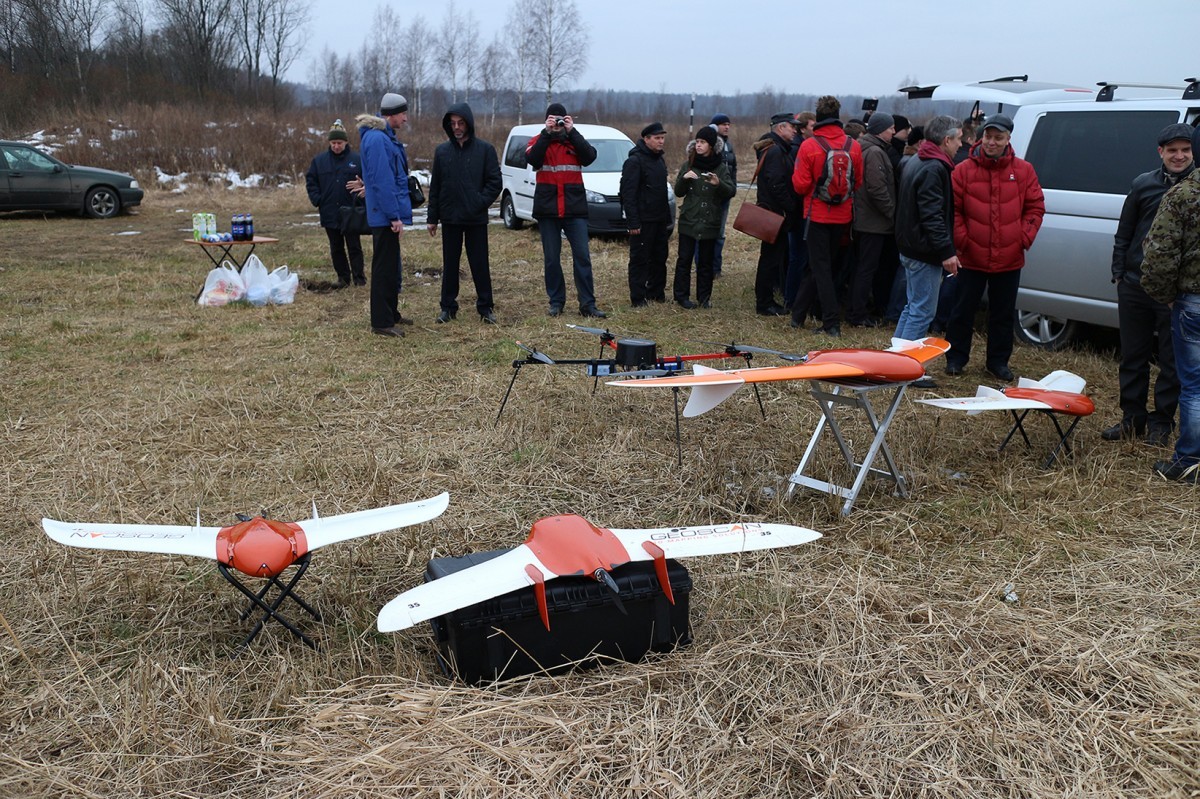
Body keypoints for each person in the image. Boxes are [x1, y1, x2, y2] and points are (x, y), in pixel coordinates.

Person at [1106, 123, 1195, 445]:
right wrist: (1119, 273)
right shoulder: (1143, 185)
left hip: (1176, 294)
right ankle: (1132, 419)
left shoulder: (1196, 190)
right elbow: (1124, 232)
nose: (1179, 156)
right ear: (1161, 152)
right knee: (1133, 356)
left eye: (1185, 150)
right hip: (1134, 285)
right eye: (1172, 150)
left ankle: (1162, 423)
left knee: (1171, 362)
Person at [944, 113, 1045, 382]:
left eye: (998, 137)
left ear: (1008, 139)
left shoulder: (1024, 171)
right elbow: (952, 210)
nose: (991, 142)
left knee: (1002, 314)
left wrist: (1023, 238)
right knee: (962, 311)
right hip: (971, 256)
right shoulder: (963, 170)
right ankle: (956, 358)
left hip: (1009, 257)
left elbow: (1035, 207)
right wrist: (963, 240)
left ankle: (997, 362)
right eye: (988, 136)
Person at [1138, 124, 1200, 484]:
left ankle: (1190, 459)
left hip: (1192, 302)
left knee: (1193, 385)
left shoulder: (1184, 196)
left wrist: (1165, 295)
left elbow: (1159, 256)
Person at [893, 114, 962, 384]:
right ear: (946, 140)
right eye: (958, 139)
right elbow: (932, 215)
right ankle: (907, 369)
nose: (961, 144)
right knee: (922, 310)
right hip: (923, 251)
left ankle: (894, 361)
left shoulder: (917, 160)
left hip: (911, 248)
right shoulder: (934, 167)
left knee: (912, 307)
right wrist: (946, 252)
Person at [790, 95, 864, 336]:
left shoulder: (809, 146)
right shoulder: (853, 145)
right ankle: (798, 316)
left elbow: (800, 186)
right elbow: (859, 182)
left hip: (816, 216)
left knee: (821, 269)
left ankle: (831, 323)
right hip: (843, 216)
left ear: (818, 117)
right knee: (819, 266)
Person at [525, 102, 607, 318]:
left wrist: (573, 131)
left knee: (582, 257)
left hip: (574, 209)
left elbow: (590, 157)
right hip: (548, 210)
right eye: (553, 120)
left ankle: (587, 304)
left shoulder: (574, 141)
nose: (558, 124)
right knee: (552, 259)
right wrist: (546, 132)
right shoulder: (538, 140)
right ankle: (556, 302)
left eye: (561, 120)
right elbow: (532, 159)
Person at [427, 102, 502, 325]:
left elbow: (495, 182)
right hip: (450, 218)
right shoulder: (442, 152)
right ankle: (448, 307)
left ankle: (485, 308)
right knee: (450, 265)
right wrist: (432, 218)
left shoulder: (485, 150)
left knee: (480, 264)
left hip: (475, 218)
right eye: (453, 124)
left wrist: (479, 202)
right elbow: (436, 186)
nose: (457, 127)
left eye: (460, 123)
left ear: (468, 124)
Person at [356, 92, 413, 338]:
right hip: (384, 216)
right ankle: (381, 321)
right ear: (391, 115)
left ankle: (391, 314)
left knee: (391, 267)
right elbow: (382, 181)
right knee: (384, 268)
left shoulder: (383, 137)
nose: (406, 119)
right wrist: (393, 216)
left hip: (384, 214)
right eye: (402, 114)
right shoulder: (378, 140)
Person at [672, 126, 735, 308]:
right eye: (697, 142)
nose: (699, 146)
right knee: (684, 259)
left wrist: (718, 183)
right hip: (689, 220)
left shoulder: (720, 168)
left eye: (703, 142)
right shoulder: (689, 164)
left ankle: (704, 298)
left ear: (711, 145)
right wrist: (685, 179)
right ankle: (681, 297)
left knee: (706, 263)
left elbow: (731, 191)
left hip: (709, 222)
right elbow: (678, 191)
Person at [848, 112, 896, 327]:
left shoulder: (866, 148)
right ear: (879, 129)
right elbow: (877, 188)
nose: (893, 131)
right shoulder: (875, 152)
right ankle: (857, 315)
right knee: (866, 270)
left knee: (863, 268)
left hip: (866, 220)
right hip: (872, 223)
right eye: (890, 128)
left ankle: (858, 310)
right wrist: (892, 213)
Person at [305, 120, 364, 287]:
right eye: (333, 143)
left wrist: (362, 199)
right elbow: (311, 181)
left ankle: (359, 279)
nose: (336, 146)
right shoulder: (319, 161)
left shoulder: (357, 160)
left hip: (351, 210)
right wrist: (318, 200)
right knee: (336, 248)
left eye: (339, 143)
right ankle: (343, 279)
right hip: (329, 211)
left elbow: (366, 181)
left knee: (354, 246)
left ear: (346, 142)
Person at [751, 113, 798, 316]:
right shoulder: (775, 151)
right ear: (781, 128)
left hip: (775, 214)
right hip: (775, 215)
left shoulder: (776, 149)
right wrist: (791, 207)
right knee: (769, 259)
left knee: (770, 258)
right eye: (792, 127)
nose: (795, 130)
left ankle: (766, 300)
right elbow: (776, 183)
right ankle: (764, 303)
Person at [620, 121, 672, 306]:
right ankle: (638, 297)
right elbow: (628, 193)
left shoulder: (659, 160)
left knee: (660, 257)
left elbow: (661, 192)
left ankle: (656, 293)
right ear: (646, 139)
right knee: (640, 260)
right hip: (643, 221)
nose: (661, 142)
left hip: (659, 219)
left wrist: (667, 219)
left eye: (662, 138)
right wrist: (633, 222)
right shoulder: (634, 161)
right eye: (657, 138)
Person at [708, 114, 736, 277]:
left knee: (720, 233)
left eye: (728, 124)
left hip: (725, 194)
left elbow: (734, 167)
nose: (727, 127)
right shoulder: (709, 144)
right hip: (711, 195)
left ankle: (716, 268)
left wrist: (732, 186)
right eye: (723, 124)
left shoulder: (729, 146)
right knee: (706, 232)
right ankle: (704, 266)